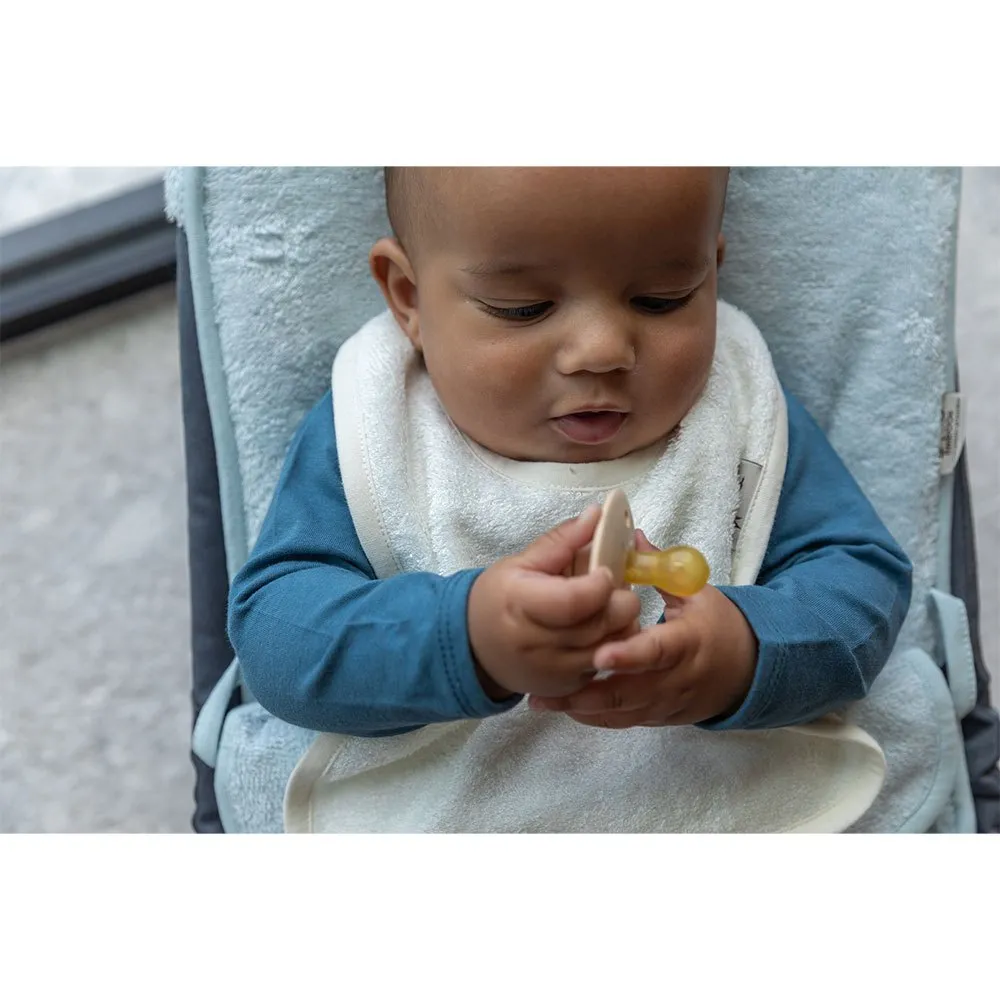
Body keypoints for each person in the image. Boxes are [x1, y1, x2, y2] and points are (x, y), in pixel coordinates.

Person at [227, 168, 912, 831]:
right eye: (522, 308)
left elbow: (862, 585)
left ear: (712, 270)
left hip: (733, 806)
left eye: (664, 297)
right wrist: (463, 639)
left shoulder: (735, 411)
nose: (601, 350)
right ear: (409, 298)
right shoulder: (381, 424)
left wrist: (745, 653)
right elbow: (275, 637)